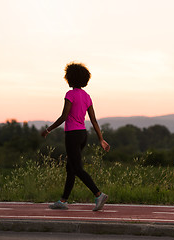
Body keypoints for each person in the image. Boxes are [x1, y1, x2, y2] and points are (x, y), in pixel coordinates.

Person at [41, 62, 110, 211]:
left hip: (72, 134)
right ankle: (63, 200)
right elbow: (93, 120)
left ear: (69, 78)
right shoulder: (86, 96)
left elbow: (64, 117)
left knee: (77, 168)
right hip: (83, 135)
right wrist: (100, 139)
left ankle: (98, 194)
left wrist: (48, 129)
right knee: (70, 168)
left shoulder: (70, 95)